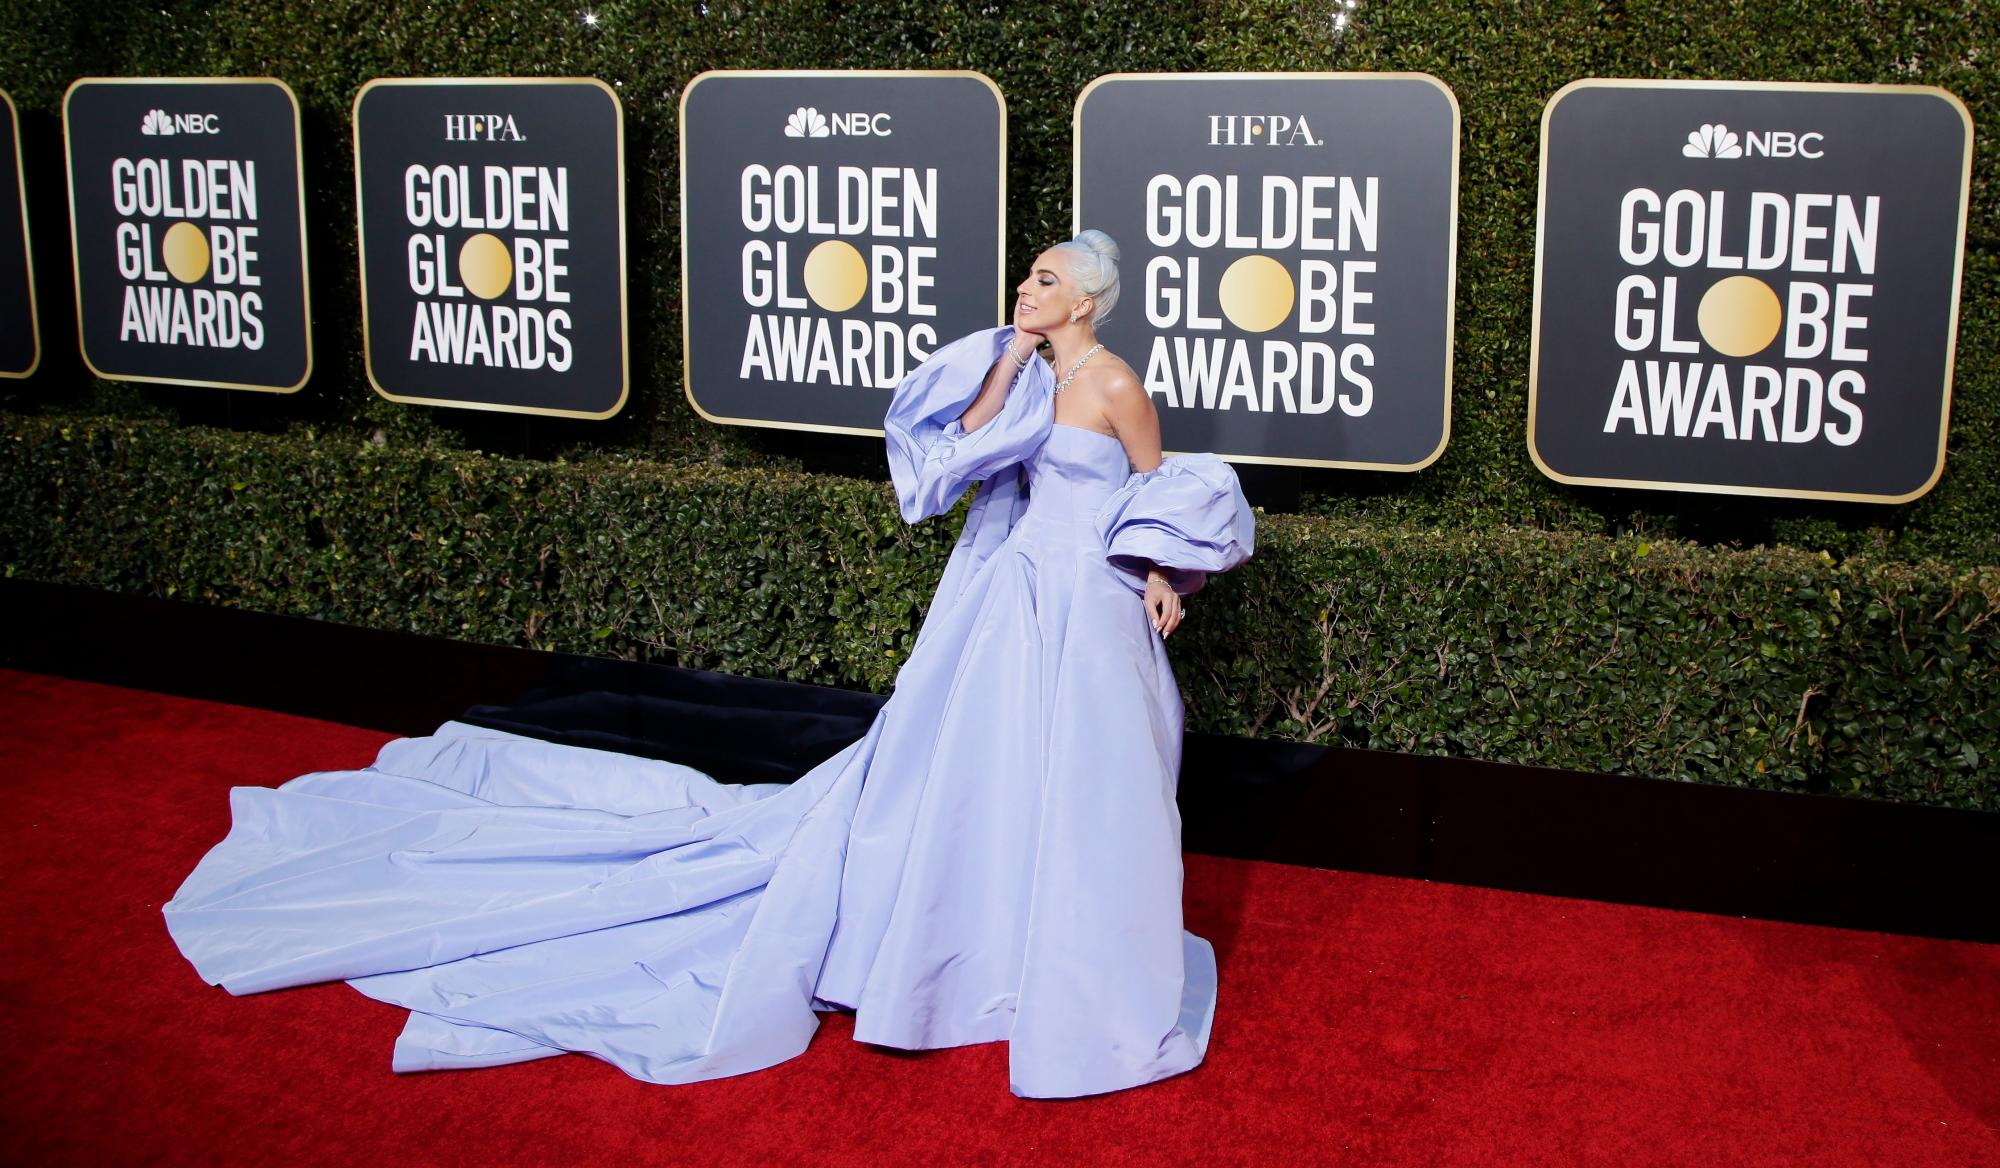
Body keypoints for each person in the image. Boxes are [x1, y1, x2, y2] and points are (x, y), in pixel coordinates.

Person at [164, 230, 1255, 1099]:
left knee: (1083, 785)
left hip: (1083, 601)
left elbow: (1154, 483)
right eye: (1028, 274)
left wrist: (1163, 570)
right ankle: (970, 939)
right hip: (1003, 601)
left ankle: (1054, 956)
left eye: (1047, 280)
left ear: (1089, 300)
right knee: (977, 777)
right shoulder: (1017, 373)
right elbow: (957, 446)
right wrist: (1010, 354)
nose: (1028, 287)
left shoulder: (1114, 383)